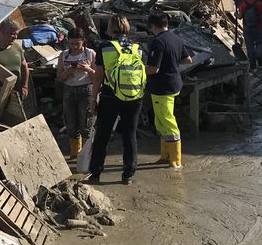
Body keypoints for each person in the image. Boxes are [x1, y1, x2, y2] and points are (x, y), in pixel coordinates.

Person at [87, 16, 146, 185]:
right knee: (130, 134)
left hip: (110, 96)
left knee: (103, 134)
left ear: (110, 29)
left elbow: (98, 77)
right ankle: (128, 174)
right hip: (134, 96)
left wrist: (93, 99)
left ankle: (96, 173)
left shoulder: (105, 47)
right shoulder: (137, 47)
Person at [145, 13, 193, 169]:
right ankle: (165, 156)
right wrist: (171, 62)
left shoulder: (157, 42)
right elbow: (188, 59)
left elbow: (153, 69)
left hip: (161, 86)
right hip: (174, 83)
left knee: (166, 121)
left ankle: (175, 159)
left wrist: (138, 71)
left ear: (153, 26)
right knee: (161, 120)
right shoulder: (176, 39)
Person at [57, 29, 96, 160]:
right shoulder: (63, 55)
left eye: (77, 44)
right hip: (69, 90)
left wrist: (87, 69)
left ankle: (86, 155)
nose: (74, 46)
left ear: (83, 42)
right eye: (72, 43)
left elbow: (97, 76)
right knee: (71, 123)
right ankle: (75, 153)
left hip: (86, 90)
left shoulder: (90, 53)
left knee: (86, 123)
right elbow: (59, 77)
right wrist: (67, 72)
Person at [0, 18, 30, 102]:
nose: (15, 37)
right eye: (12, 34)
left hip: (16, 95)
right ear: (2, 32)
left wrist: (25, 86)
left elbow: (24, 67)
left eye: (16, 34)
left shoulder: (17, 48)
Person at [237, 0, 262, 70]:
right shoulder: (260, 4)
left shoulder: (243, 4)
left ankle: (253, 66)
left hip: (247, 29)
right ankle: (258, 56)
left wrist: (236, 14)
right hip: (258, 27)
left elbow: (239, 17)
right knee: (259, 44)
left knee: (249, 47)